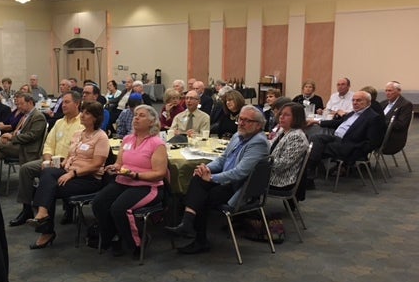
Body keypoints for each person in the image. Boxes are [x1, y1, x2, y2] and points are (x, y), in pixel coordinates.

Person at [164, 105, 269, 254]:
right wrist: (206, 169)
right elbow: (222, 159)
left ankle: (194, 233)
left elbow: (240, 173)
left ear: (258, 125)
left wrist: (212, 178)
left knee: (200, 196)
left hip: (238, 189)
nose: (241, 123)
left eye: (247, 120)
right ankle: (189, 226)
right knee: (198, 179)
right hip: (226, 182)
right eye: (240, 119)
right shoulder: (238, 136)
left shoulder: (258, 142)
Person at [26, 102, 110, 249]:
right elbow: (71, 155)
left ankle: (45, 229)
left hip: (88, 178)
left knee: (48, 188)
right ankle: (43, 214)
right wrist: (63, 164)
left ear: (96, 118)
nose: (82, 115)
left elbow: (96, 164)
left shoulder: (101, 137)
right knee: (47, 173)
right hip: (70, 171)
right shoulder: (79, 134)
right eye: (82, 112)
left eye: (87, 113)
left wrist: (72, 173)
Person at [92, 105, 168, 257]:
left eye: (141, 116)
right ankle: (114, 236)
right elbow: (120, 163)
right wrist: (114, 167)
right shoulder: (127, 139)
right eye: (135, 115)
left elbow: (159, 174)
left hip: (147, 186)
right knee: (98, 202)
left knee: (119, 208)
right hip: (123, 180)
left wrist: (136, 175)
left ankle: (138, 241)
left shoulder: (157, 143)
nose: (136, 118)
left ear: (152, 122)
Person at [10, 91, 83, 226]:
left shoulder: (82, 123)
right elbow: (48, 144)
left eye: (67, 102)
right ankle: (27, 209)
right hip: (52, 160)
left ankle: (55, 212)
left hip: (69, 163)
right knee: (26, 169)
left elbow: (79, 150)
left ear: (77, 104)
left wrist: (62, 162)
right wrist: (47, 159)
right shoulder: (59, 122)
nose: (63, 105)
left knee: (48, 174)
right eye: (62, 102)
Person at [306, 90, 386, 188]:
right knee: (315, 138)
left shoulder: (373, 117)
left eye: (359, 100)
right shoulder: (353, 113)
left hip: (351, 146)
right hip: (337, 138)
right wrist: (317, 122)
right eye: (353, 100)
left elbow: (372, 143)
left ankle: (308, 176)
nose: (355, 103)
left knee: (315, 147)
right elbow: (338, 123)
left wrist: (354, 148)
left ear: (368, 102)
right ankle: (310, 174)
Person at [0, 92, 47, 176]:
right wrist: (7, 136)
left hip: (27, 149)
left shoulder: (38, 116)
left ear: (30, 103)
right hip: (18, 145)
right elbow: (17, 131)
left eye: (21, 104)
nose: (19, 106)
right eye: (18, 104)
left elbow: (32, 136)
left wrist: (11, 138)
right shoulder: (25, 116)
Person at [268, 103, 309, 194]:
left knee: (242, 176)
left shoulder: (297, 137)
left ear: (296, 118)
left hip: (280, 180)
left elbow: (281, 165)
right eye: (281, 114)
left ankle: (243, 206)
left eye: (286, 115)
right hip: (272, 174)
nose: (281, 117)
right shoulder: (283, 130)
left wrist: (261, 160)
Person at [380, 81, 413, 154]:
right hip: (379, 133)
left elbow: (400, 125)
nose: (387, 93)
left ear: (399, 91)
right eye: (386, 90)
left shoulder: (405, 105)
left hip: (392, 137)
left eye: (390, 91)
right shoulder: (383, 103)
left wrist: (381, 122)